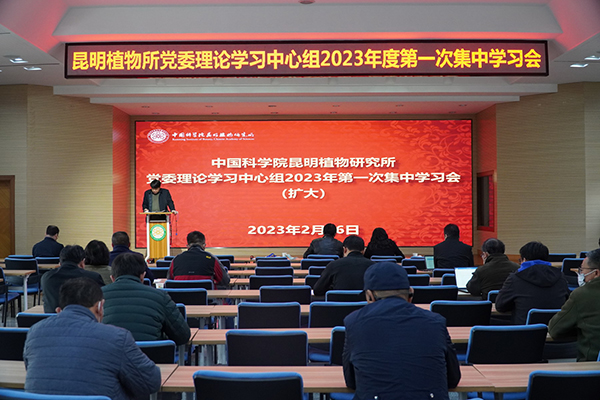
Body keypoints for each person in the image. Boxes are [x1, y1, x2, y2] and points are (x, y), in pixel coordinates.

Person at [24, 277, 160, 400]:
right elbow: (151, 382)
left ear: (60, 309)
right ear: (100, 306)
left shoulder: (34, 332)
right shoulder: (116, 337)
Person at [343, 262, 461, 400]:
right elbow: (453, 378)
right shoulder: (436, 322)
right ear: (411, 293)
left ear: (369, 296)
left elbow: (351, 381)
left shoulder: (353, 322)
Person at [102, 252, 190, 344]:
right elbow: (183, 336)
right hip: (151, 353)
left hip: (110, 352)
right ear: (142, 276)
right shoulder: (160, 297)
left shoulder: (99, 296)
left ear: (112, 278)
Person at [495, 241, 570, 325]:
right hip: (556, 328)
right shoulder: (560, 277)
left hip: (525, 330)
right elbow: (567, 302)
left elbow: (500, 306)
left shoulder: (515, 278)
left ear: (524, 259)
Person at [548, 248, 600, 361]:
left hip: (592, 365)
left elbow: (554, 330)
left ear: (596, 273)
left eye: (582, 270)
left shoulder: (581, 295)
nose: (580, 273)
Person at [41, 245, 105, 313]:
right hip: (84, 318)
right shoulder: (93, 277)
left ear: (60, 263)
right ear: (82, 262)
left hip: (53, 318)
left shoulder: (47, 278)